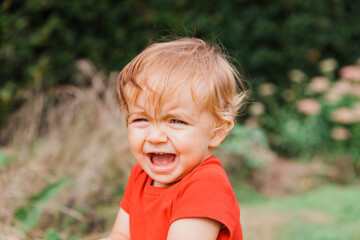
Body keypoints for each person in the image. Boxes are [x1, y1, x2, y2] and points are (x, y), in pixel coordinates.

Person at [100, 37, 248, 240]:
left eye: (176, 121)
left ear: (217, 132)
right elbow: (121, 235)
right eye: (141, 119)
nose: (155, 136)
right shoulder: (140, 177)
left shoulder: (206, 186)